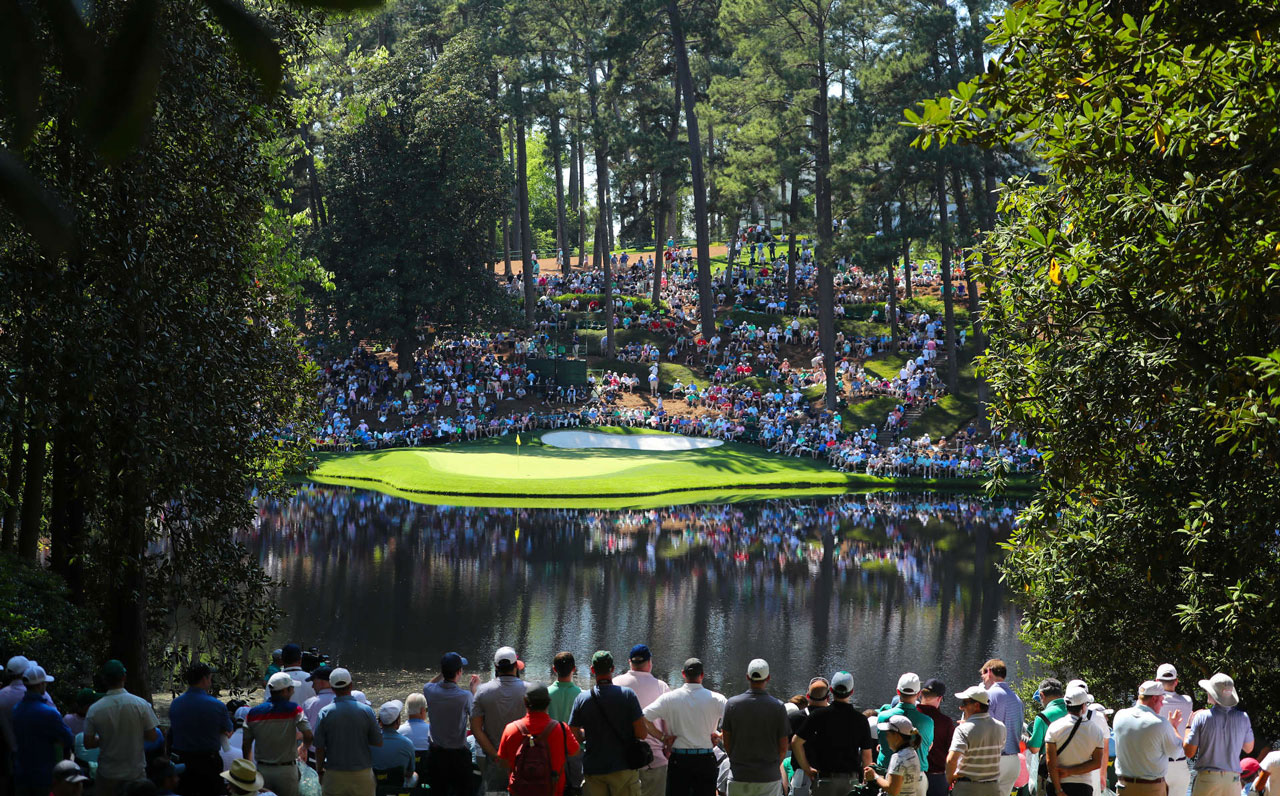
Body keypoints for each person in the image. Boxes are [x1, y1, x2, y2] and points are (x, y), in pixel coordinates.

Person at [641, 658, 726, 796]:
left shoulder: (669, 698)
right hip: (705, 760)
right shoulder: (717, 699)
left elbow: (643, 717)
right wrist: (721, 736)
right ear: (702, 675)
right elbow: (734, 719)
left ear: (683, 674)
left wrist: (662, 738)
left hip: (679, 760)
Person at [568, 651, 647, 796]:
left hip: (593, 769)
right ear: (612, 669)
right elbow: (642, 733)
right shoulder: (628, 695)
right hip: (623, 768)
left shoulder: (582, 699)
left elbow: (573, 733)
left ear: (592, 670)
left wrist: (586, 735)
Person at [84, 659, 161, 796]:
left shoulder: (95, 709)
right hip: (135, 773)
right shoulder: (141, 704)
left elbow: (88, 743)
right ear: (124, 677)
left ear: (104, 680)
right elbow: (152, 736)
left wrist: (105, 739)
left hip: (107, 774)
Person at [792, 671, 876, 796]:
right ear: (851, 692)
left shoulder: (818, 715)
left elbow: (795, 742)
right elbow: (867, 758)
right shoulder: (861, 720)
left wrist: (807, 768)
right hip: (850, 783)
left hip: (824, 781)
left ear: (831, 690)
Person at [721, 659, 789, 796]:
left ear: (747, 676)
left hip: (739, 776)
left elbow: (726, 743)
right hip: (769, 778)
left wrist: (737, 761)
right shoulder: (778, 707)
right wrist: (772, 766)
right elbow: (783, 747)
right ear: (768, 678)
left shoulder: (732, 704)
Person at [497, 683, 580, 796]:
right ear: (548, 702)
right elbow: (575, 751)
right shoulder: (561, 729)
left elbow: (503, 762)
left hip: (519, 791)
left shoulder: (511, 729)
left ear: (525, 701)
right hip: (552, 790)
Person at [313, 668, 382, 796]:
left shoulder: (325, 713)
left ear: (332, 688)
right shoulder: (367, 711)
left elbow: (319, 747)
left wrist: (319, 771)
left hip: (334, 774)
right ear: (351, 685)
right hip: (362, 774)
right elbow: (378, 741)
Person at [243, 671, 314, 796]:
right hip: (287, 771)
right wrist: (303, 747)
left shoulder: (253, 713)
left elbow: (246, 744)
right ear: (285, 691)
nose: (293, 691)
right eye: (291, 688)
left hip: (262, 771)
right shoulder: (294, 710)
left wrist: (250, 769)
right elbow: (308, 735)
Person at [170, 662, 234, 796]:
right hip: (208, 763)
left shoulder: (175, 704)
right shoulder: (216, 705)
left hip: (182, 762)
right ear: (205, 679)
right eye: (210, 678)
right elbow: (228, 730)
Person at [473, 647, 530, 796]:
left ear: (496, 667)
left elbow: (476, 729)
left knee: (493, 793)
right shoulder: (529, 690)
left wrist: (496, 756)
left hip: (494, 761)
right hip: (523, 760)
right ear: (516, 666)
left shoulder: (482, 691)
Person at [613, 646, 670, 796]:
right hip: (654, 760)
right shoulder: (661, 687)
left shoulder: (614, 684)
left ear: (629, 662)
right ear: (649, 662)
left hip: (621, 761)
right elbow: (669, 727)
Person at [1186, 674, 1255, 796]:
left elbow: (1189, 752)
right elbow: (1248, 748)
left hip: (1208, 779)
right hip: (1232, 780)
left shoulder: (1202, 717)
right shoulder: (1243, 718)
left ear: (1213, 694)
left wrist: (1188, 727)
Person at [1112, 680, 1184, 796]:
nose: (1162, 704)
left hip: (1124, 787)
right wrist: (1174, 728)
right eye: (1161, 700)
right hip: (1151, 789)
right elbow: (1176, 752)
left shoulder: (1119, 716)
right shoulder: (1160, 723)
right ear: (1154, 699)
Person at [424, 652, 480, 796]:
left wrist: (442, 673)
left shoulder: (429, 691)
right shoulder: (464, 696)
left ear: (442, 671)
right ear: (459, 672)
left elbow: (430, 684)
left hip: (436, 755)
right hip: (458, 757)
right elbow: (476, 715)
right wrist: (473, 690)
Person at [13, 664, 74, 796]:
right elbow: (68, 739)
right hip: (43, 776)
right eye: (44, 683)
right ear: (39, 685)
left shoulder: (16, 709)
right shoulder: (49, 713)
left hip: (21, 773)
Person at [877, 673, 935, 794]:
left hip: (888, 775)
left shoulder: (883, 717)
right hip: (917, 777)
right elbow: (928, 747)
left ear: (898, 692)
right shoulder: (927, 721)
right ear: (919, 694)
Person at [1045, 685, 1107, 796]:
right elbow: (1097, 763)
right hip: (1082, 786)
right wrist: (1069, 771)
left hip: (1056, 784)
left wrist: (1059, 790)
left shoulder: (1054, 727)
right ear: (1084, 706)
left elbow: (1050, 763)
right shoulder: (1096, 730)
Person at [946, 686, 1005, 796]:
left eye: (965, 703)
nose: (961, 707)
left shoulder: (962, 729)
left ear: (976, 705)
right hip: (992, 788)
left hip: (967, 789)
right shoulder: (1001, 727)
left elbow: (951, 760)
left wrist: (950, 777)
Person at [981, 660, 1024, 796]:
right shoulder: (1017, 699)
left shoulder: (988, 696)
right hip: (1013, 762)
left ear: (989, 672)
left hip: (994, 761)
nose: (982, 678)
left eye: (983, 673)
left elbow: (984, 728)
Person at [1065, 680, 1111, 796]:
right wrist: (1103, 775)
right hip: (1092, 769)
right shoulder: (1099, 717)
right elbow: (1104, 749)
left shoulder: (1060, 719)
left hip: (1067, 768)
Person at [548, 653, 585, 796]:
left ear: (554, 669)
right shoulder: (581, 695)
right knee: (576, 789)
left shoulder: (546, 694)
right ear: (574, 669)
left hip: (553, 751)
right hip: (576, 750)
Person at [1156, 665, 1194, 796]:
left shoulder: (1154, 703)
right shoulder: (1187, 701)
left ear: (1157, 681)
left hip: (1158, 762)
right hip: (1179, 761)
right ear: (1176, 681)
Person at [865, 715, 923, 796]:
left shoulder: (898, 757)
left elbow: (892, 790)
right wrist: (880, 771)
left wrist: (874, 775)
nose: (886, 738)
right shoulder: (912, 752)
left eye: (888, 734)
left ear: (896, 735)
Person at [917, 680, 955, 796]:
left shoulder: (911, 716)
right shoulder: (946, 722)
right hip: (937, 777)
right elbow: (952, 751)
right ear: (939, 698)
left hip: (913, 773)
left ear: (920, 695)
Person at [370, 701, 417, 788]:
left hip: (376, 786)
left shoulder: (370, 742)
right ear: (397, 722)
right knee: (415, 776)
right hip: (398, 786)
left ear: (380, 722)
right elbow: (410, 772)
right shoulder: (407, 743)